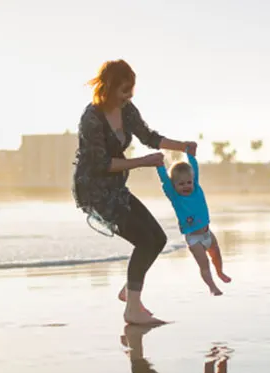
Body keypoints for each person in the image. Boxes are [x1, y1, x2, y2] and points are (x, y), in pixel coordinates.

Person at [72, 59, 197, 325]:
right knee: (144, 240)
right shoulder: (91, 118)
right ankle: (133, 309)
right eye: (124, 90)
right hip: (94, 190)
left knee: (158, 238)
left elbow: (149, 136)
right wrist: (142, 162)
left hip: (116, 187)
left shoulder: (126, 109)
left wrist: (182, 145)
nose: (129, 95)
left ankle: (130, 291)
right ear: (108, 87)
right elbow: (102, 163)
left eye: (132, 90)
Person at [156, 151, 231, 296]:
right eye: (181, 184)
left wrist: (190, 154)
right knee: (204, 264)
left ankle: (220, 272)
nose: (186, 186)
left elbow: (194, 169)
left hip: (207, 233)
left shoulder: (196, 189)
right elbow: (165, 180)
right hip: (193, 238)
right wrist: (160, 165)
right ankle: (212, 287)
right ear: (174, 186)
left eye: (189, 182)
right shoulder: (175, 196)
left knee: (216, 253)